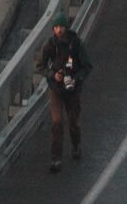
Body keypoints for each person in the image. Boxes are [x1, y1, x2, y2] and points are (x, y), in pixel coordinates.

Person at [35, 11, 92, 173]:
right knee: (57, 122)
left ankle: (76, 145)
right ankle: (56, 159)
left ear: (66, 28)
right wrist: (53, 75)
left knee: (73, 122)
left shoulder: (76, 44)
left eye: (61, 27)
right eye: (56, 27)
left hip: (73, 90)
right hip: (56, 90)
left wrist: (76, 78)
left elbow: (87, 66)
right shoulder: (50, 45)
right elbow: (40, 66)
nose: (59, 30)